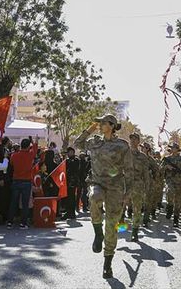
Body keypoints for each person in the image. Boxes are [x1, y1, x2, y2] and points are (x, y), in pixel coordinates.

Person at [74, 114, 133, 279]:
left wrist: (128, 193)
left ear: (112, 125)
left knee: (113, 225)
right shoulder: (94, 142)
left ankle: (107, 262)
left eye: (102, 123)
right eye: (99, 123)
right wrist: (89, 130)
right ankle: (97, 232)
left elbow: (128, 170)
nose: (99, 125)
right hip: (97, 183)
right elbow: (77, 144)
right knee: (94, 197)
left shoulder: (122, 146)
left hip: (116, 188)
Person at [7, 136, 38, 229]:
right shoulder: (30, 154)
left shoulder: (14, 155)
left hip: (16, 180)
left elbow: (11, 164)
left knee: (13, 202)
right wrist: (34, 141)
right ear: (28, 146)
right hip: (26, 181)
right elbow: (35, 148)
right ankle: (23, 223)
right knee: (25, 204)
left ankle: (10, 222)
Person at [128, 133, 151, 241]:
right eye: (131, 139)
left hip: (138, 185)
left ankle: (134, 231)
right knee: (120, 210)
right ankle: (121, 229)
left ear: (138, 141)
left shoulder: (143, 157)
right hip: (124, 184)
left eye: (135, 139)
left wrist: (147, 187)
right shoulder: (124, 153)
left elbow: (146, 173)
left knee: (136, 209)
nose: (132, 141)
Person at [162, 142, 181, 227]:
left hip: (179, 181)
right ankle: (169, 206)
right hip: (170, 180)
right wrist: (166, 167)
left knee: (178, 200)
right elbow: (160, 169)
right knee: (169, 192)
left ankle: (176, 219)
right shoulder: (166, 159)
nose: (172, 149)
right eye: (171, 148)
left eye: (174, 148)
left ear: (177, 149)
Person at [64, 147, 81, 219]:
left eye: (70, 152)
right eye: (68, 152)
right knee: (67, 197)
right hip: (67, 181)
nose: (69, 153)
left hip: (73, 181)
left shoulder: (76, 160)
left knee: (72, 197)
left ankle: (72, 213)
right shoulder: (66, 160)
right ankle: (68, 212)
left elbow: (75, 168)